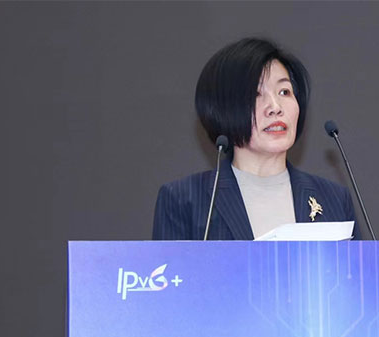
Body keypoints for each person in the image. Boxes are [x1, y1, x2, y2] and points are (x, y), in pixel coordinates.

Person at [152, 38, 358, 240]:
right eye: (256, 94)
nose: (275, 107)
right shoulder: (184, 200)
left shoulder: (334, 199)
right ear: (224, 109)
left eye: (284, 91)